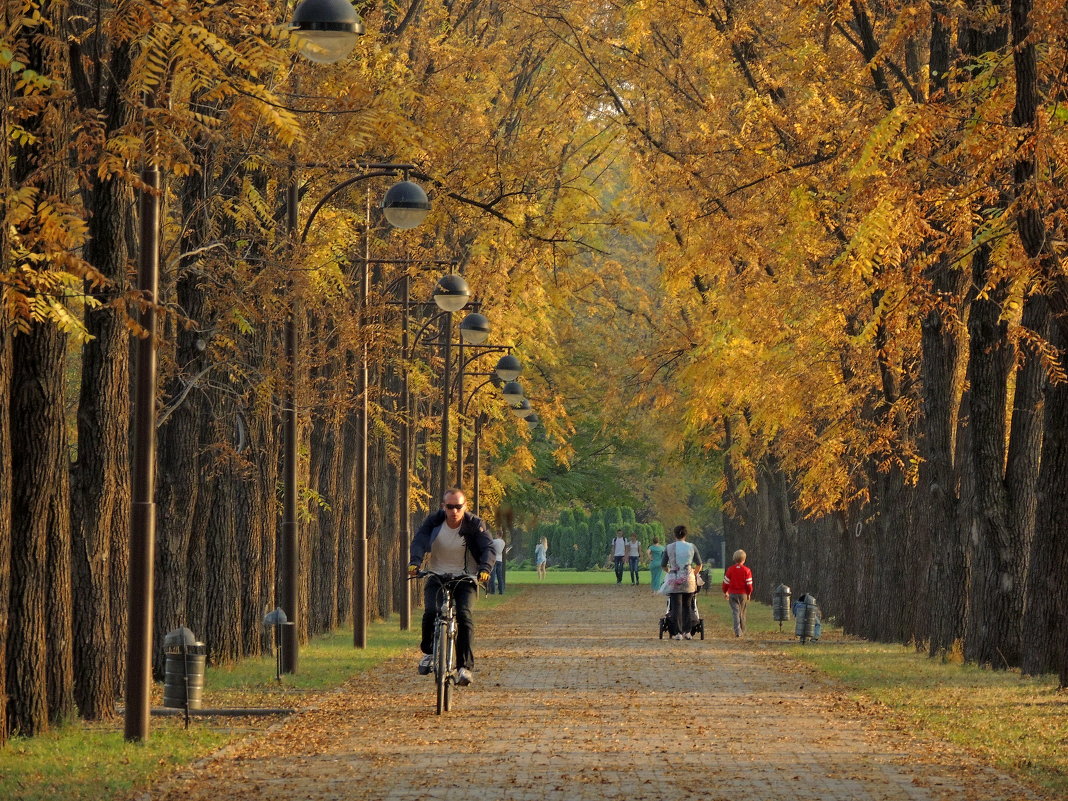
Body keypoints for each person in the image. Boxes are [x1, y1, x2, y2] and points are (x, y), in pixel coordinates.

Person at [407, 488, 494, 687]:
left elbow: (488, 548)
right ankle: (429, 653)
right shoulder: (434, 521)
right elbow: (419, 540)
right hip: (437, 575)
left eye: (458, 506)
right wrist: (415, 562)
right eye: (450, 506)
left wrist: (485, 569)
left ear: (465, 506)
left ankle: (464, 667)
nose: (454, 511)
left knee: (464, 615)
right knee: (431, 611)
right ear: (443, 507)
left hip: (465, 577)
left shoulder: (474, 524)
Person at [661, 525, 702, 639]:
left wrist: (669, 571)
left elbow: (663, 565)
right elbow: (699, 564)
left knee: (676, 605)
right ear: (685, 535)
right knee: (687, 605)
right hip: (688, 579)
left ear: (675, 535)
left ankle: (677, 632)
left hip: (674, 578)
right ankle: (687, 631)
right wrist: (693, 573)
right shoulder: (692, 547)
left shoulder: (669, 547)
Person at [722, 548, 754, 637]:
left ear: (734, 558)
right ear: (744, 559)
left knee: (735, 612)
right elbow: (749, 584)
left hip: (732, 593)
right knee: (742, 612)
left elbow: (726, 583)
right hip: (743, 594)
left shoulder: (730, 570)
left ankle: (737, 631)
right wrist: (749, 593)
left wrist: (725, 592)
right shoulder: (747, 570)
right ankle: (742, 629)